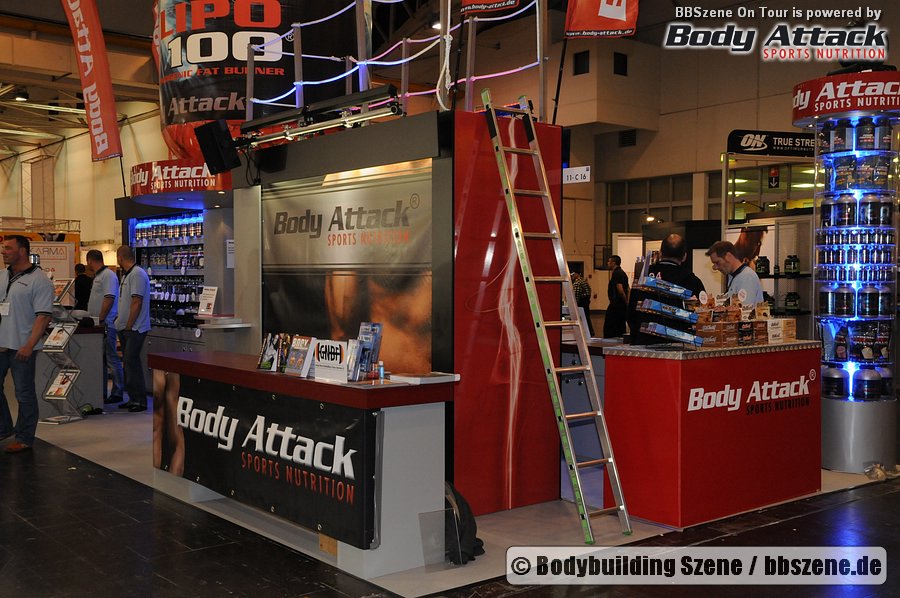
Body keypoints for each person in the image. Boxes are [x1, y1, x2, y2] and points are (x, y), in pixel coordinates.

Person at [0, 235, 54, 453]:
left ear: (22, 251)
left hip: (22, 346)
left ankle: (24, 437)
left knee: (24, 393)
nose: (3, 252)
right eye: (3, 248)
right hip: (1, 344)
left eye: (8, 248)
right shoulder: (3, 276)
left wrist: (29, 345)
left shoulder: (39, 280)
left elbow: (43, 317)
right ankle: (4, 428)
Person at [627, 233, 706, 345]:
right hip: (678, 344)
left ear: (660, 253)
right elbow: (702, 315)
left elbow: (631, 311)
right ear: (684, 256)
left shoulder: (643, 276)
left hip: (644, 341)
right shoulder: (691, 280)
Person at [115, 245, 152, 413]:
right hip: (126, 327)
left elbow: (137, 302)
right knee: (128, 363)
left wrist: (129, 325)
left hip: (135, 328)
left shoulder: (137, 274)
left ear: (120, 258)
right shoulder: (127, 275)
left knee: (132, 362)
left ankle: (140, 400)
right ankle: (132, 398)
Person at [86, 249, 125, 405]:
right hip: (98, 324)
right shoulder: (99, 276)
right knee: (101, 360)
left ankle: (118, 391)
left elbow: (109, 298)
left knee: (111, 358)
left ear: (89, 261)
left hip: (106, 323)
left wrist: (101, 318)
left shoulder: (108, 275)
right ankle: (101, 392)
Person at [705, 240, 764, 305]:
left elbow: (744, 308)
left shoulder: (747, 277)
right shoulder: (734, 276)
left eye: (717, 262)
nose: (715, 267)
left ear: (728, 256)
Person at [603, 255, 629, 338]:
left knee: (611, 325)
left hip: (617, 304)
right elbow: (628, 288)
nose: (607, 263)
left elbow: (620, 290)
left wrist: (626, 301)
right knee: (620, 324)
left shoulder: (617, 273)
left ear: (613, 263)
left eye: (609, 261)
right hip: (620, 304)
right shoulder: (622, 273)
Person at [571, 272, 594, 337]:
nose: (572, 276)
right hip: (586, 302)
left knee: (581, 318)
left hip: (581, 302)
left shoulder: (577, 283)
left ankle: (582, 332)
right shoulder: (584, 281)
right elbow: (589, 291)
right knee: (586, 317)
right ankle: (590, 332)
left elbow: (576, 295)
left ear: (577, 274)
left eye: (573, 274)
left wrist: (574, 304)